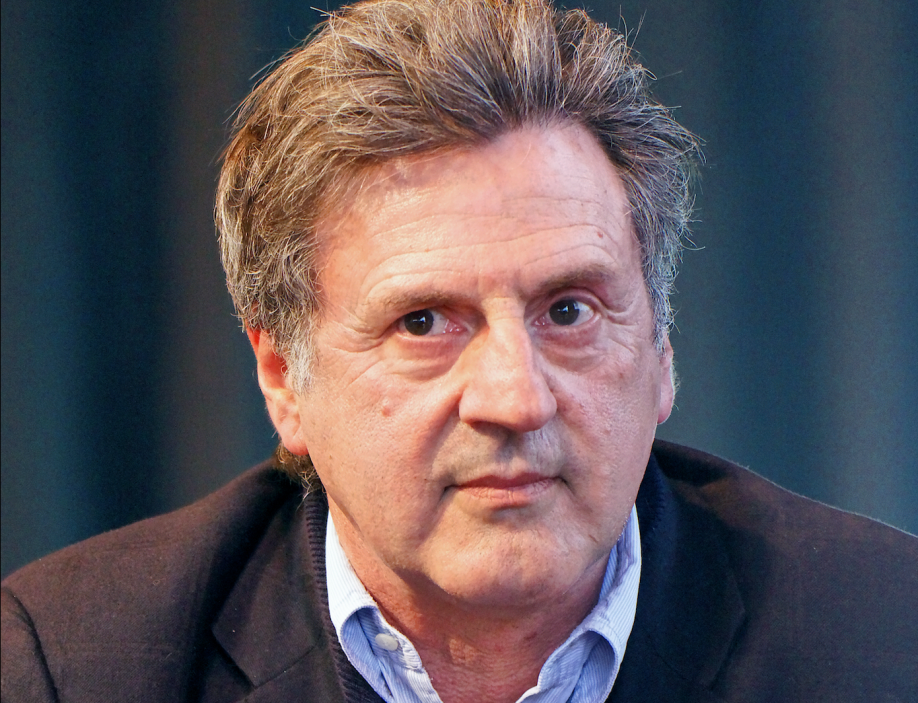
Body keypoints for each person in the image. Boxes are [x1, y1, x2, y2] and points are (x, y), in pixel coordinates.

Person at [2, 1, 916, 701]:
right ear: (283, 378)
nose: (516, 399)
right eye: (423, 323)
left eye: (569, 310)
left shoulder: (884, 638)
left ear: (661, 347)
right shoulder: (74, 666)